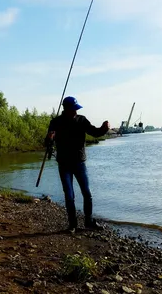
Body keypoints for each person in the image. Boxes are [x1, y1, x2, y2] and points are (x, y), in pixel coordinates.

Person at [46, 96, 110, 232]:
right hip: (64, 164)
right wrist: (49, 138)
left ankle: (89, 221)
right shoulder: (55, 122)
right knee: (69, 196)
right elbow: (47, 142)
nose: (76, 111)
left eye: (76, 109)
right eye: (73, 109)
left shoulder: (82, 120)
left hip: (80, 162)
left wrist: (104, 129)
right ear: (66, 109)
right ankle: (72, 225)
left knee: (87, 193)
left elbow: (95, 132)